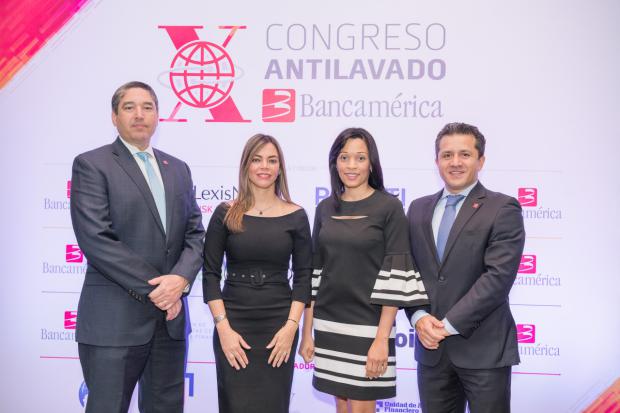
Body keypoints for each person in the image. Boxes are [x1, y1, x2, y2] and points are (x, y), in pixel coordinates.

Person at [70, 81, 205, 413]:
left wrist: (180, 282)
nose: (139, 114)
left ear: (158, 116)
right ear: (114, 117)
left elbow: (195, 234)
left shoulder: (178, 169)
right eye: (129, 107)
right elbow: (97, 240)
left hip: (169, 324)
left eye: (147, 107)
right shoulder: (92, 165)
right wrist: (160, 290)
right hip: (114, 322)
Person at [299, 128, 429, 413]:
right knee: (342, 406)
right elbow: (314, 274)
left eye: (360, 158)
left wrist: (382, 339)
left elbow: (396, 276)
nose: (351, 165)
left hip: (369, 328)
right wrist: (306, 333)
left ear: (372, 163)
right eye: (344, 157)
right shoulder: (324, 208)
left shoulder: (389, 207)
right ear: (335, 162)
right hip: (329, 324)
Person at [405, 122, 525, 413]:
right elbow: (408, 271)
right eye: (447, 155)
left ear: (480, 160)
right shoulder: (417, 209)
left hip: (483, 351)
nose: (455, 162)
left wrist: (445, 327)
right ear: (436, 161)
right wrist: (419, 317)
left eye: (464, 154)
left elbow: (497, 279)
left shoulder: (503, 208)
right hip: (431, 352)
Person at [203, 134, 312, 413]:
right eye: (257, 159)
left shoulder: (296, 215)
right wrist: (223, 329)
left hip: (279, 326)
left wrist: (291, 328)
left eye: (272, 160)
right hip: (234, 324)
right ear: (246, 165)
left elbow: (303, 277)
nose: (264, 166)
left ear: (280, 167)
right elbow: (210, 275)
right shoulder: (225, 213)